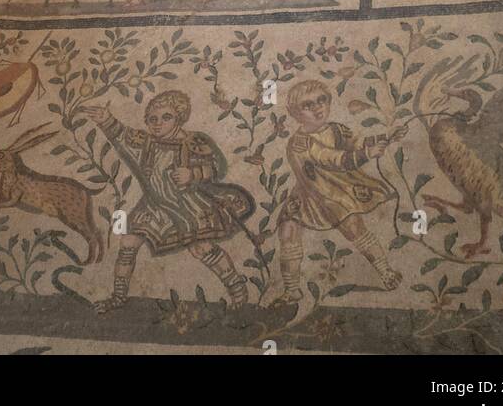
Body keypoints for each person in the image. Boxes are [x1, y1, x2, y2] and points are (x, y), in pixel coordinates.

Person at [81, 90, 254, 313]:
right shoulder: (146, 142)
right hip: (154, 205)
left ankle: (237, 289)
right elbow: (123, 134)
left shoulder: (194, 141)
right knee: (128, 242)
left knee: (201, 248)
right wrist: (106, 119)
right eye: (152, 119)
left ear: (179, 117)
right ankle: (118, 297)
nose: (157, 124)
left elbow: (218, 167)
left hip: (187, 204)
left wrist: (193, 174)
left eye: (166, 117)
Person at [274, 80, 405, 302]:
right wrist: (366, 154)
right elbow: (330, 158)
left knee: (355, 228)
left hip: (337, 190)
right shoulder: (300, 143)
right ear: (294, 113)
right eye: (308, 105)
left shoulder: (337, 129)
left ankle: (386, 272)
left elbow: (357, 141)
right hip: (309, 194)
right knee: (288, 232)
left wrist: (387, 137)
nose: (318, 108)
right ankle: (291, 289)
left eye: (321, 100)